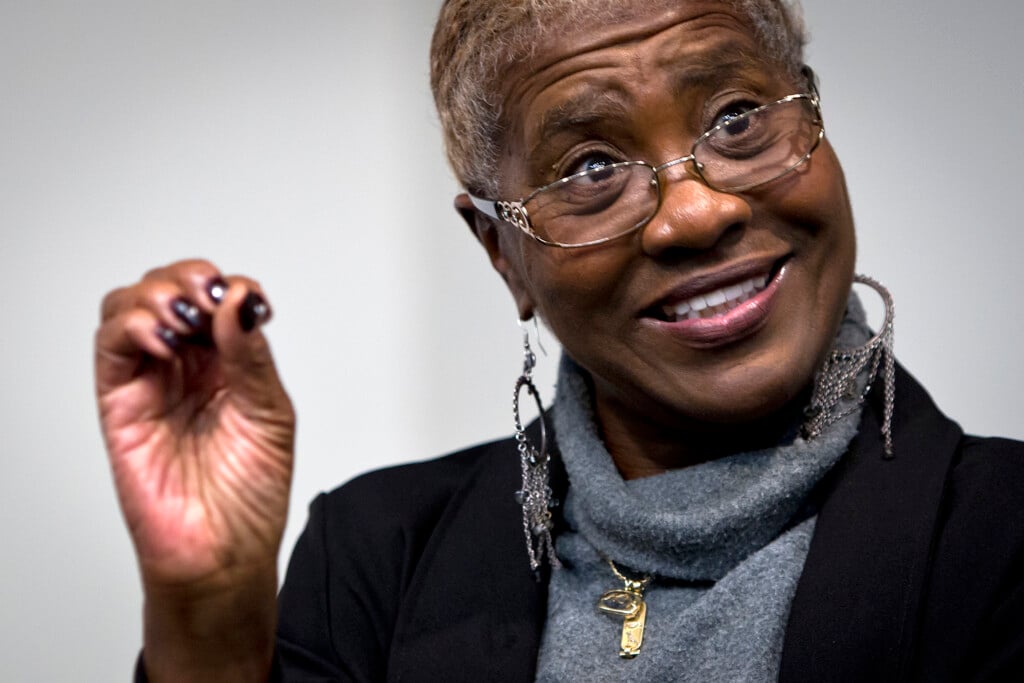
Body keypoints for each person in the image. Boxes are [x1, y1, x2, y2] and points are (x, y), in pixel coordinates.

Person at [96, 0, 1024, 680]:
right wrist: (207, 612)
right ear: (501, 253)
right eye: (590, 167)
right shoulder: (375, 557)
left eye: (738, 118)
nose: (696, 212)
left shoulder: (1006, 536)